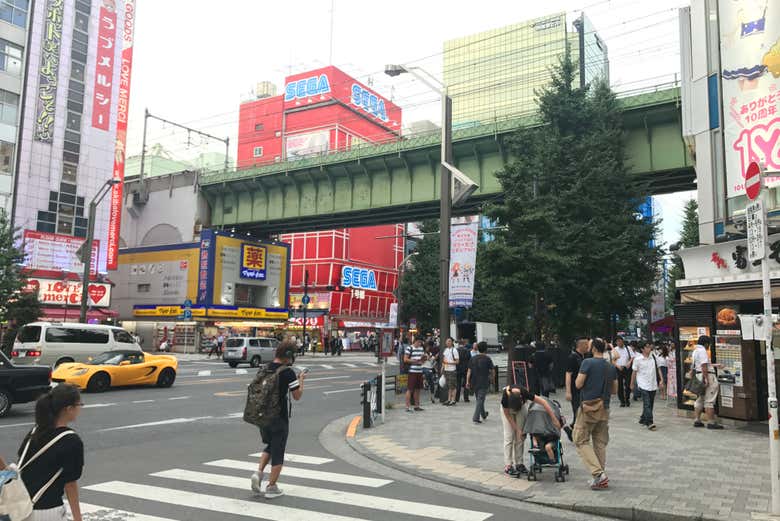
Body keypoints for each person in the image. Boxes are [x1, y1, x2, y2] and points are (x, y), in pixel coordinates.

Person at [0, 384, 84, 521]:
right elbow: (70, 484)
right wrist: (78, 518)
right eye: (79, 404)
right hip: (47, 510)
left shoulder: (37, 430)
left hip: (21, 506)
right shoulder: (71, 440)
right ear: (69, 409)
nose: (80, 408)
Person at [251, 341, 306, 499]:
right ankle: (271, 486)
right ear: (288, 356)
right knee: (278, 450)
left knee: (270, 444)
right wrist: (301, 379)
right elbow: (297, 396)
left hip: (262, 416)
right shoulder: (287, 372)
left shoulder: (264, 368)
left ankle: (258, 473)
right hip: (278, 417)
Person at [574, 337, 617, 490]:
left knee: (580, 440)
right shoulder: (610, 367)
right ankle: (600, 477)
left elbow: (578, 384)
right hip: (604, 408)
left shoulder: (587, 363)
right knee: (600, 443)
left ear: (593, 349)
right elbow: (614, 390)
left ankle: (598, 474)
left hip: (588, 408)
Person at [500, 384, 561, 476]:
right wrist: (516, 429)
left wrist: (554, 418)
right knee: (509, 436)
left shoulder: (524, 393)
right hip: (508, 411)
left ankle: (519, 463)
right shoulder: (505, 398)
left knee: (520, 437)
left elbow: (544, 402)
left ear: (521, 398)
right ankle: (508, 465)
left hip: (521, 408)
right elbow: (508, 415)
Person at [630, 341, 664, 430]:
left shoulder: (653, 357)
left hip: (653, 384)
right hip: (643, 384)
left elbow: (658, 368)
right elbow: (634, 372)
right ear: (642, 349)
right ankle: (650, 422)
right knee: (647, 403)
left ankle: (643, 418)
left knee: (650, 403)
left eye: (650, 347)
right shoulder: (637, 359)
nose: (649, 348)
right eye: (647, 347)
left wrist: (661, 380)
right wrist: (632, 384)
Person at [691, 335, 723, 430]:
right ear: (706, 344)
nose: (709, 346)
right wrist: (706, 379)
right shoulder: (703, 351)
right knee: (709, 400)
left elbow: (696, 366)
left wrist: (716, 365)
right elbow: (704, 365)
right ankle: (711, 422)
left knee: (700, 398)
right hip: (707, 375)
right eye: (709, 344)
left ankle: (697, 420)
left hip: (698, 375)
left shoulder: (695, 351)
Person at [466, 341, 494, 424]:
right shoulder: (488, 359)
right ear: (486, 349)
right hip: (483, 381)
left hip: (474, 381)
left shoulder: (473, 358)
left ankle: (484, 414)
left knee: (479, 399)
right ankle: (476, 417)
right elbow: (492, 371)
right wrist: (492, 379)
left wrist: (467, 381)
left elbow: (469, 371)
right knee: (480, 399)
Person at [566, 337, 590, 427]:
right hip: (575, 390)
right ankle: (574, 430)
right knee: (577, 411)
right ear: (581, 345)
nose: (588, 347)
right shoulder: (572, 357)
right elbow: (568, 374)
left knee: (582, 412)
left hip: (585, 389)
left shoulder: (586, 356)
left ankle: (574, 427)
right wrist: (568, 392)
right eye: (586, 345)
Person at [404, 338, 426, 412]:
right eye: (419, 342)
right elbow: (405, 359)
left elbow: (423, 359)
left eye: (420, 343)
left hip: (419, 370)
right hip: (412, 371)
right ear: (415, 341)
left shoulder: (421, 348)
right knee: (410, 389)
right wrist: (414, 361)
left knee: (418, 389)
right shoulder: (409, 348)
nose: (420, 344)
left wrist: (423, 360)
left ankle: (417, 406)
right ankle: (407, 406)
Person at [612, 336, 633, 407]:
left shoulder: (628, 348)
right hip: (618, 368)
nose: (619, 342)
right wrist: (617, 366)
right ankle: (622, 401)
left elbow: (632, 357)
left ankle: (627, 398)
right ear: (616, 342)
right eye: (617, 341)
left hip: (626, 368)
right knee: (619, 385)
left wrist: (629, 363)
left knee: (628, 384)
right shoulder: (614, 349)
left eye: (620, 341)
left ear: (622, 341)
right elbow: (612, 360)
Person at [441, 337, 459, 406]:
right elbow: (444, 359)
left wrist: (449, 363)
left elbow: (457, 361)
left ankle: (453, 400)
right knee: (449, 386)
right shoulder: (445, 350)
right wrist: (443, 367)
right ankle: (449, 399)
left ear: (452, 342)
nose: (447, 342)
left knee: (453, 386)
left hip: (452, 370)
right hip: (446, 369)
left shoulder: (454, 350)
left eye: (449, 341)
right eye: (447, 341)